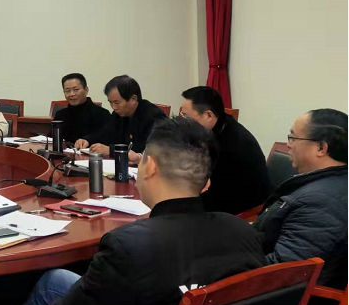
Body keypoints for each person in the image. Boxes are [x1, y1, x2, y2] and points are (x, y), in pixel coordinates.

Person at [0, 117, 264, 305]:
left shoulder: (128, 246)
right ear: (205, 183)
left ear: (150, 167)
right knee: (57, 281)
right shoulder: (243, 232)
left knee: (53, 289)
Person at [255, 109, 347, 290]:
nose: (288, 145)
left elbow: (283, 272)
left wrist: (228, 266)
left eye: (293, 138)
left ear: (321, 148)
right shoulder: (327, 183)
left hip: (280, 300)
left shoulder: (321, 204)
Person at [179, 86, 272, 214]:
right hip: (220, 194)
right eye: (182, 115)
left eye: (186, 117)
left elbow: (217, 193)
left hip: (242, 208)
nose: (182, 122)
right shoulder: (219, 125)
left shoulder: (232, 145)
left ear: (208, 115)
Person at [74, 75, 166, 164]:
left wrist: (111, 150)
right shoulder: (118, 115)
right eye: (111, 103)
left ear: (133, 99)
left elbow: (143, 150)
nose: (114, 107)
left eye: (117, 102)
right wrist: (87, 140)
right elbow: (105, 133)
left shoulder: (153, 116)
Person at [53, 73, 111, 144]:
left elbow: (105, 138)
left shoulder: (102, 114)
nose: (72, 94)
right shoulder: (60, 115)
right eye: (67, 91)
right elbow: (51, 139)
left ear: (86, 90)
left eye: (76, 89)